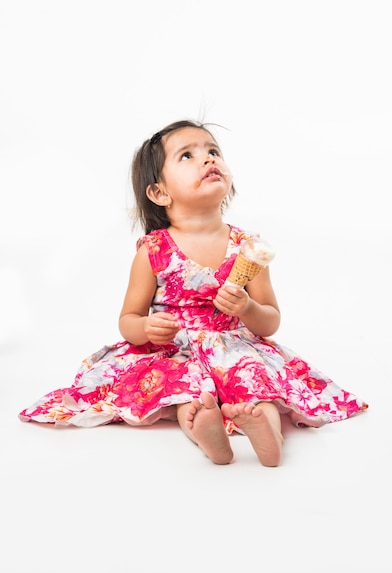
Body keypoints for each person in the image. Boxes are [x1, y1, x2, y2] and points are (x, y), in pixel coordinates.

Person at [19, 119, 368, 466]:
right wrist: (146, 329)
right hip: (174, 350)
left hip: (234, 345)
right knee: (187, 387)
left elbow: (270, 321)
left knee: (255, 381)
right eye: (187, 155)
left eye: (213, 151)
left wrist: (246, 308)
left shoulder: (247, 248)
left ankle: (268, 434)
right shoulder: (154, 251)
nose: (208, 159)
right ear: (159, 192)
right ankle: (206, 432)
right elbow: (128, 319)